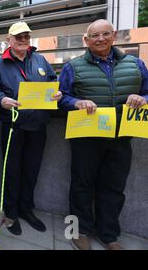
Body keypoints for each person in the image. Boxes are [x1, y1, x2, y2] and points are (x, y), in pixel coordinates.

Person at [58, 19, 148, 250]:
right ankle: (78, 231)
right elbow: (61, 98)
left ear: (114, 35)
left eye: (105, 34)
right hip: (85, 137)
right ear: (86, 41)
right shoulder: (73, 67)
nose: (100, 39)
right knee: (81, 185)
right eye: (95, 36)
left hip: (121, 137)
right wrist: (77, 102)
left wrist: (143, 99)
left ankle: (109, 235)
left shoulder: (136, 64)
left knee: (114, 187)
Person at [0, 22, 62, 236]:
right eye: (18, 37)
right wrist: (2, 99)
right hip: (13, 126)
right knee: (11, 172)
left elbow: (53, 81)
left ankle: (26, 209)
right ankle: (10, 213)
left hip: (38, 125)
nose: (22, 40)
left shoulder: (40, 60)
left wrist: (57, 93)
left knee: (31, 170)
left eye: (26, 37)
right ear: (9, 39)